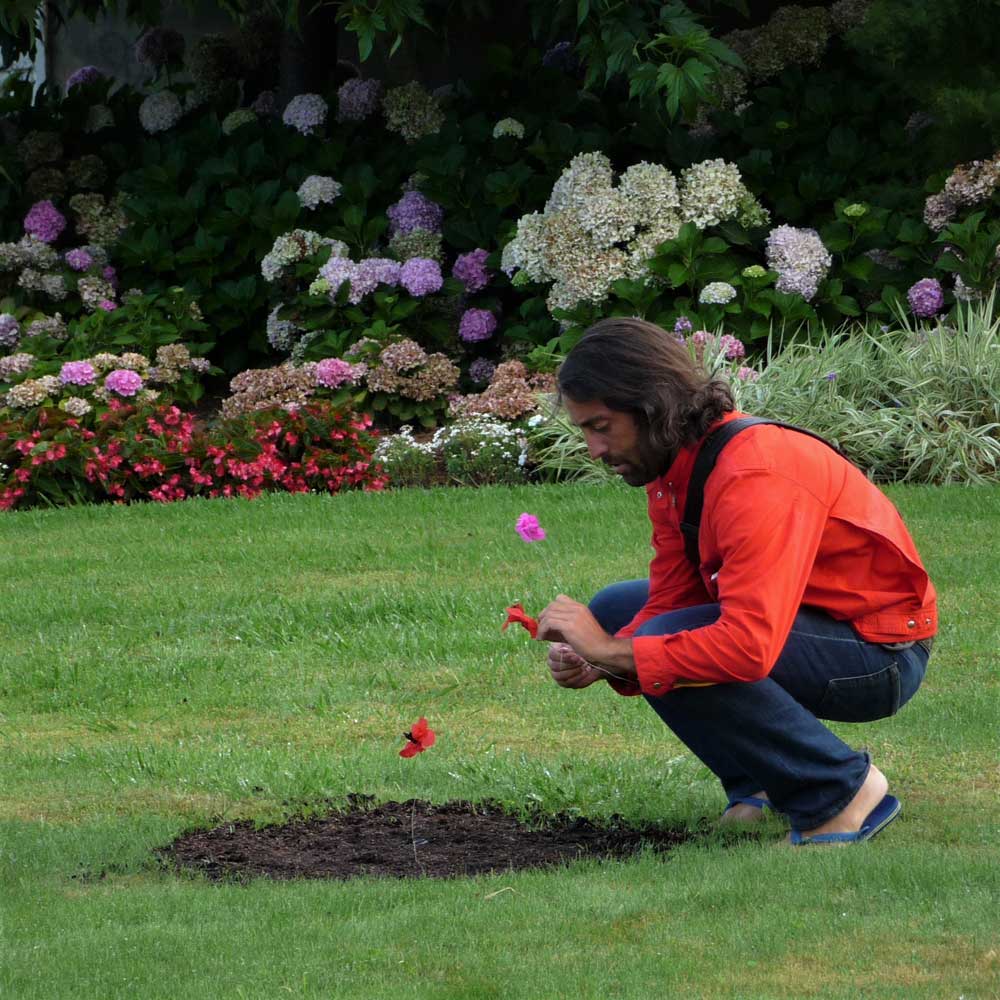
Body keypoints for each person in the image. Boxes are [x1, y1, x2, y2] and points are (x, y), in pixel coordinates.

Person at [536, 317, 937, 845]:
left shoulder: (755, 473)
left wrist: (616, 651)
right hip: (809, 630)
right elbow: (676, 595)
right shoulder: (678, 466)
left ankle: (839, 792)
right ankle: (762, 781)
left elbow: (748, 647)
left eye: (601, 426)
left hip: (879, 654)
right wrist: (603, 655)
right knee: (618, 611)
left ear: (651, 405)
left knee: (659, 639)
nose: (593, 448)